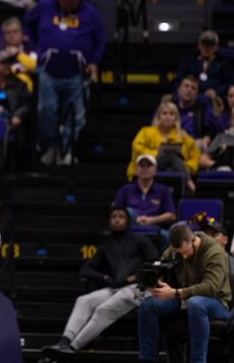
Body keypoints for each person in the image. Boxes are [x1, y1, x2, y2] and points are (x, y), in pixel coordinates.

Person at [42, 207, 158, 357]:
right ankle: (64, 341)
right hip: (116, 287)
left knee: (103, 309)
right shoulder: (107, 246)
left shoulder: (140, 240)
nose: (117, 219)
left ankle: (73, 348)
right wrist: (106, 279)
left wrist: (135, 276)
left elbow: (155, 262)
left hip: (139, 288)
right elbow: (86, 269)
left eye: (121, 216)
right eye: (114, 217)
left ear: (128, 220)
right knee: (84, 300)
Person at [26, 0, 105, 165]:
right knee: (46, 111)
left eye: (74, 1)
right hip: (48, 71)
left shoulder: (90, 12)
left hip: (77, 74)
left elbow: (100, 39)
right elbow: (28, 22)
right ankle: (51, 145)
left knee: (77, 116)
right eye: (67, 1)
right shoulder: (45, 6)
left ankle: (66, 149)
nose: (71, 5)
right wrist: (35, 47)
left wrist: (94, 61)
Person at [138, 224, 231, 363]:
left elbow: (211, 287)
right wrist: (157, 283)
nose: (184, 256)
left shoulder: (214, 251)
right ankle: (148, 358)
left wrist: (175, 293)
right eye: (179, 252)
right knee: (147, 305)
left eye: (186, 251)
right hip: (183, 298)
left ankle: (197, 360)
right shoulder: (174, 250)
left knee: (195, 303)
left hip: (215, 300)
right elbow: (162, 267)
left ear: (194, 240)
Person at [127, 101, 200, 193]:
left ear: (176, 119)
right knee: (172, 157)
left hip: (174, 170)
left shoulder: (183, 137)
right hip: (150, 165)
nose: (168, 117)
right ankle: (189, 182)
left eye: (171, 114)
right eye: (164, 113)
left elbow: (195, 156)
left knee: (173, 160)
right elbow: (137, 148)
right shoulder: (146, 132)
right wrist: (156, 154)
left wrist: (186, 167)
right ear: (158, 117)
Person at [113, 154, 176, 233]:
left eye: (149, 165)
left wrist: (152, 220)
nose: (145, 168)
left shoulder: (163, 190)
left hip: (156, 228)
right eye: (141, 165)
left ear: (155, 170)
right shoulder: (125, 189)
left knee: (166, 235)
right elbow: (115, 211)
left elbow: (171, 215)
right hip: (129, 229)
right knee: (129, 211)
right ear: (135, 170)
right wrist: (134, 219)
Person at [176, 31, 234, 99]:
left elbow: (230, 83)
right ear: (199, 45)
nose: (207, 48)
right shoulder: (189, 62)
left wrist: (216, 91)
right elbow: (178, 80)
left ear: (215, 47)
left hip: (215, 99)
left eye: (210, 45)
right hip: (190, 98)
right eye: (204, 44)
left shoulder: (224, 63)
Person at [0, 17, 36, 91]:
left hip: (26, 95)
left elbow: (35, 68)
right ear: (4, 36)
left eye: (15, 32)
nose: (12, 35)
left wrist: (18, 55)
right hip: (3, 93)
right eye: (8, 32)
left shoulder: (30, 53)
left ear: (22, 33)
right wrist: (19, 70)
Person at [173, 74, 220, 147]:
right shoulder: (170, 106)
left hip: (194, 144)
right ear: (179, 89)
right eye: (186, 86)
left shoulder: (203, 108)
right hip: (172, 143)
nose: (189, 90)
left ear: (196, 94)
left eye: (193, 88)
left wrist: (207, 138)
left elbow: (211, 130)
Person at [200, 84, 234, 170]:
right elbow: (203, 160)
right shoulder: (221, 133)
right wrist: (219, 165)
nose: (233, 99)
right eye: (230, 96)